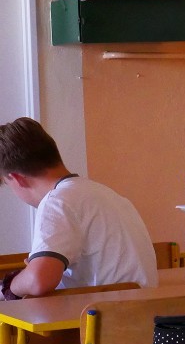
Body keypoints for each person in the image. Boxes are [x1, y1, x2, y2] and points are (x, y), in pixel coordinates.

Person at [0, 117, 158, 299]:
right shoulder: (105, 194)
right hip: (145, 310)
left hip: (107, 314)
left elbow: (38, 280)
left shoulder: (56, 201)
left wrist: (10, 286)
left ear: (17, 179)